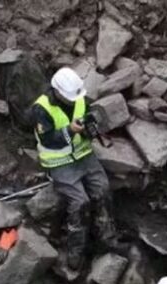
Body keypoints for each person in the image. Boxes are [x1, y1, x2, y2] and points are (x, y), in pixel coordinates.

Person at [30, 67, 117, 271]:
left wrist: (90, 129)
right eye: (69, 97)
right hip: (59, 162)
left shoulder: (79, 97)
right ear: (57, 91)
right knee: (80, 202)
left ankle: (107, 239)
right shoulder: (41, 108)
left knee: (103, 189)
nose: (73, 100)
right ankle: (76, 249)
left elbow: (88, 118)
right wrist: (69, 130)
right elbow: (48, 140)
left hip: (83, 154)